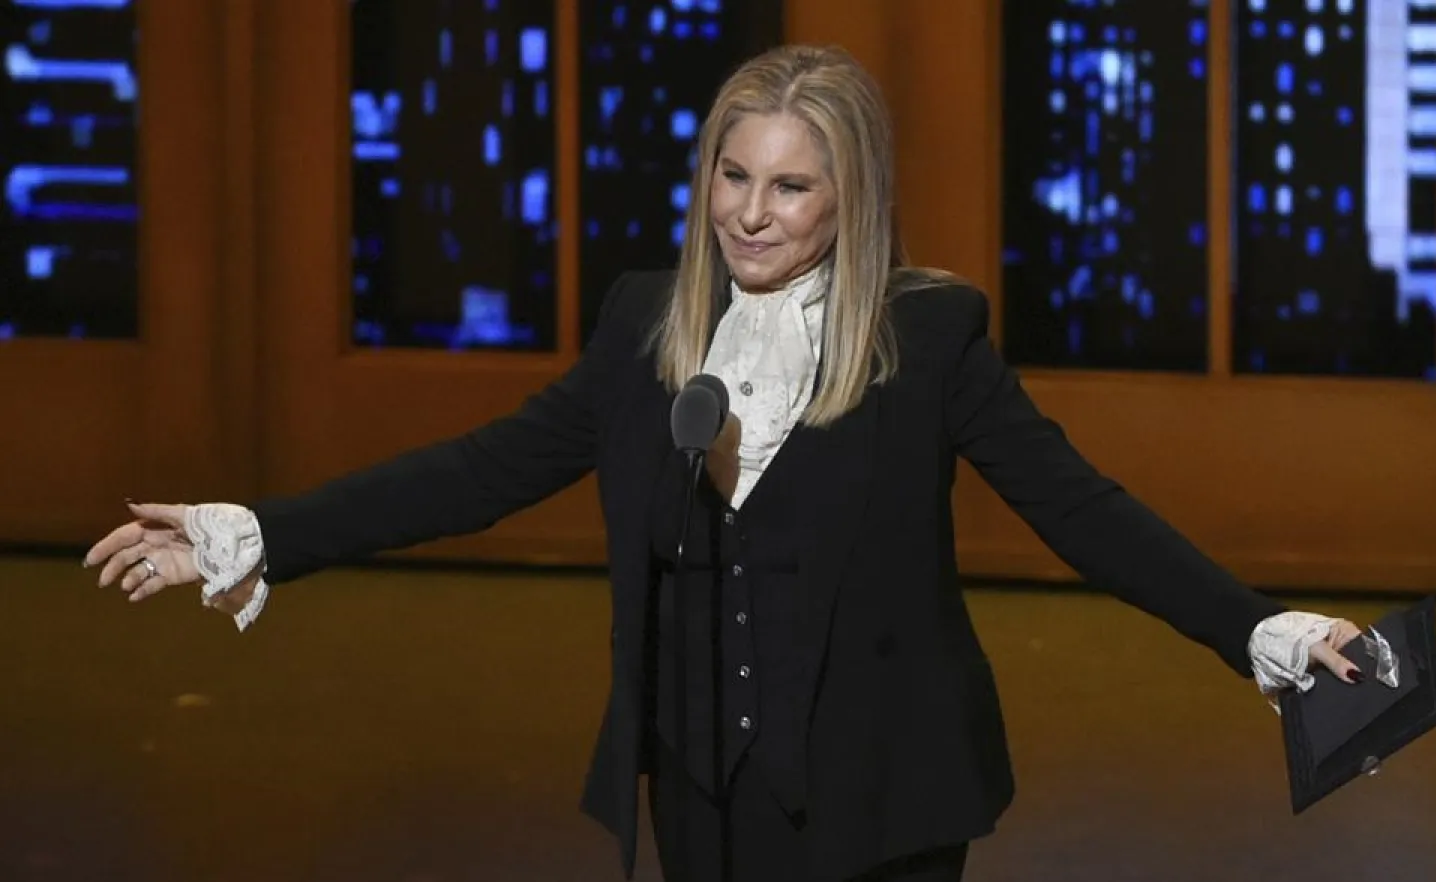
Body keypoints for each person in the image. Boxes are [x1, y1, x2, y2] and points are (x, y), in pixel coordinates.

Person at [85, 45, 1367, 882]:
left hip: (883, 796)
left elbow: (1087, 514)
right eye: (732, 174)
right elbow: (474, 471)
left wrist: (1261, 630)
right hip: (702, 789)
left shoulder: (928, 339)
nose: (752, 214)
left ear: (848, 201)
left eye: (793, 188)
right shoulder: (647, 323)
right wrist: (247, 529)